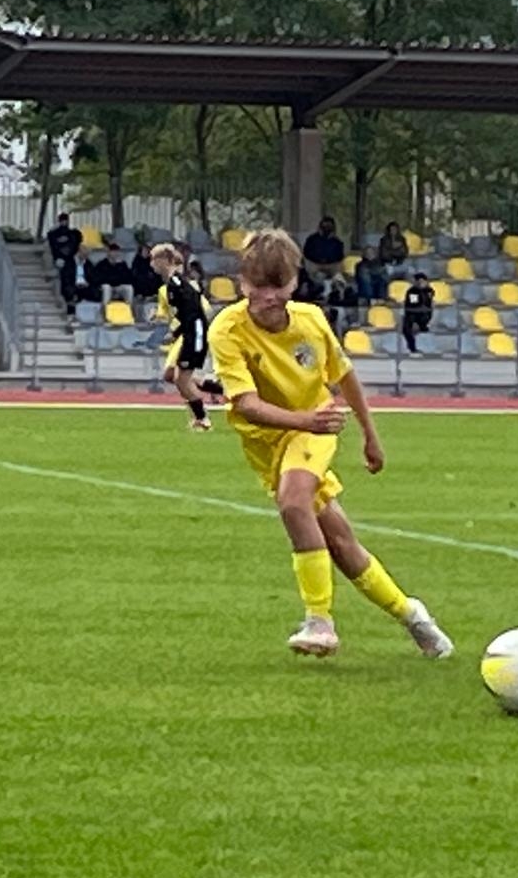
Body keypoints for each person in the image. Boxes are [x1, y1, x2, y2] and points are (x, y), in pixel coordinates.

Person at [206, 229, 454, 660]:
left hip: (313, 428)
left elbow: (344, 377)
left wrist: (370, 436)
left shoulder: (311, 321)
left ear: (294, 281)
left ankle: (319, 621)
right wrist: (304, 421)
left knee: (293, 503)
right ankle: (413, 615)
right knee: (340, 544)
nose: (269, 297)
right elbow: (246, 404)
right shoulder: (227, 329)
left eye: (278, 285)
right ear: (242, 282)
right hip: (270, 442)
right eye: (258, 286)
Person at [151, 243, 222, 431]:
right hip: (190, 333)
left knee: (181, 380)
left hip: (193, 334)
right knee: (179, 378)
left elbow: (193, 313)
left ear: (164, 260)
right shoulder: (173, 284)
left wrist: (180, 333)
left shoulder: (176, 284)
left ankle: (204, 416)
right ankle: (206, 409)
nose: (151, 264)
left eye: (154, 260)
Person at [46, 212, 81, 312]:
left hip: (69, 260)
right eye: (63, 221)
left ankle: (70, 299)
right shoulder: (54, 234)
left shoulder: (72, 234)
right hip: (61, 260)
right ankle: (66, 300)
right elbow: (53, 246)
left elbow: (75, 244)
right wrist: (58, 257)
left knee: (70, 280)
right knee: (64, 280)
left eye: (65, 221)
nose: (64, 223)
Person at [301, 216, 345, 283]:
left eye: (329, 226)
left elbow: (340, 256)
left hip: (331, 265)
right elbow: (306, 253)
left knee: (337, 276)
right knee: (315, 275)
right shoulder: (312, 239)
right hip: (315, 264)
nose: (326, 228)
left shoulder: (337, 242)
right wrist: (316, 260)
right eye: (324, 226)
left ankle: (339, 284)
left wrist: (330, 262)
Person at [401, 273, 433, 354]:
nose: (421, 283)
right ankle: (412, 348)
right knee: (408, 327)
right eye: (419, 281)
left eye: (423, 281)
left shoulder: (429, 291)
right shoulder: (412, 291)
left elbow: (429, 304)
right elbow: (414, 306)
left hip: (425, 316)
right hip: (412, 316)